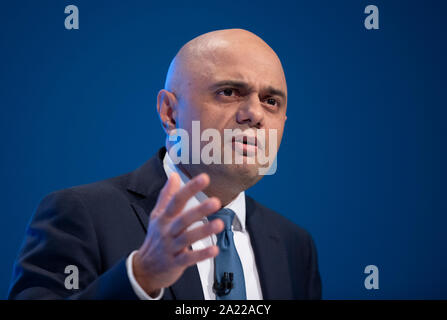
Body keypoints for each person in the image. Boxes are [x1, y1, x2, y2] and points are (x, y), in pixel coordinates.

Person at [8, 29, 322, 300]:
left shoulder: (294, 245)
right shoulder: (79, 213)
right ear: (170, 113)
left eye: (271, 101)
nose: (254, 113)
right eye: (229, 92)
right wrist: (140, 278)